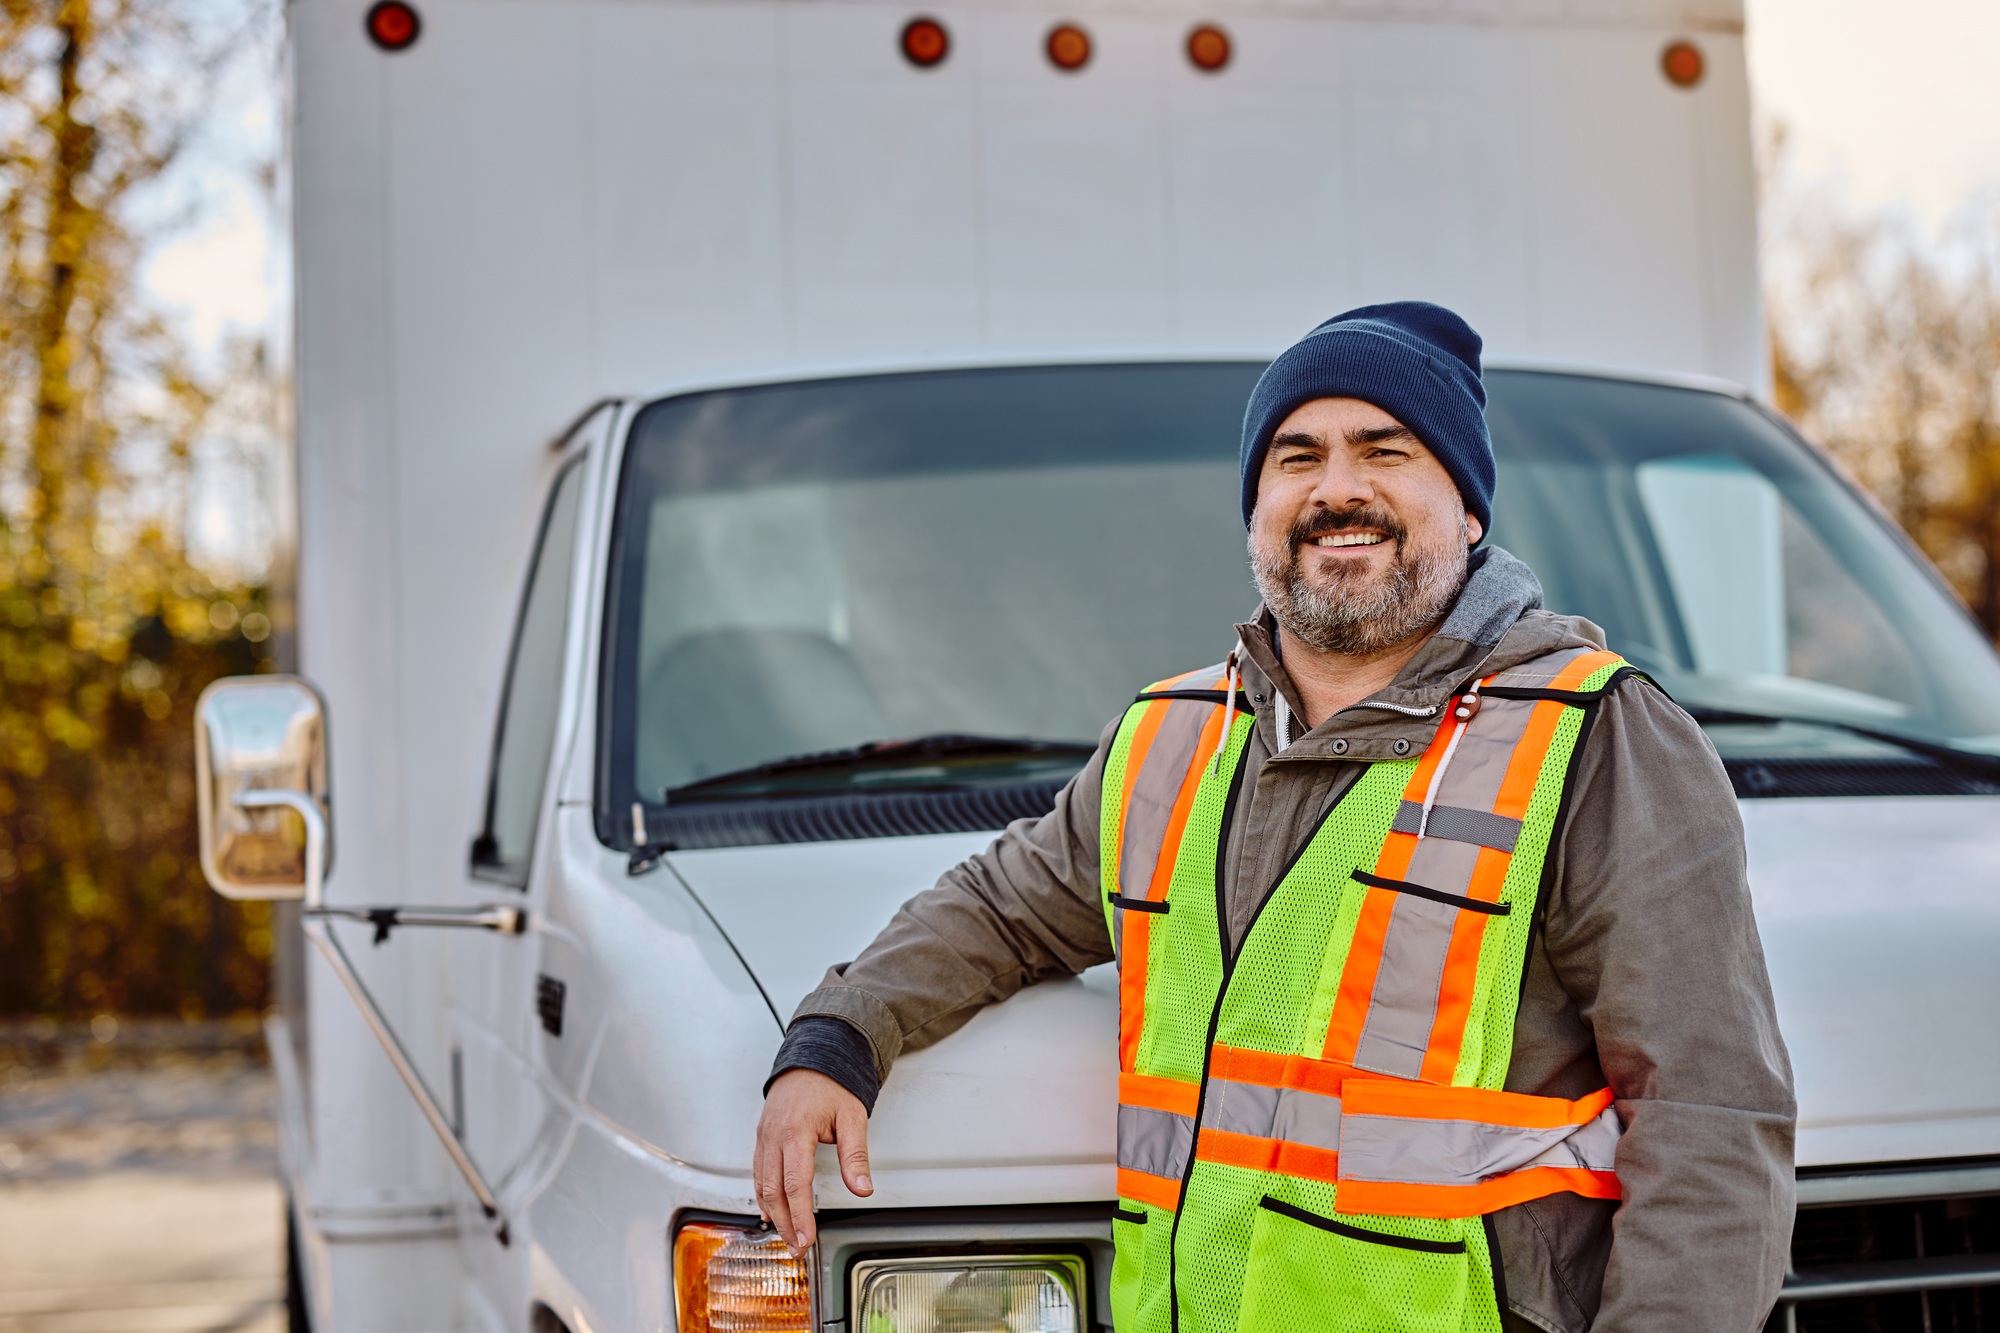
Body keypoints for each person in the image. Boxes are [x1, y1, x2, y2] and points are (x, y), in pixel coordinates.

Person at [753, 302, 1796, 1333]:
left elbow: (1707, 1120)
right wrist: (841, 1032)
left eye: (1383, 450)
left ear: (1469, 510)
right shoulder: (1168, 737)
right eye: (1295, 458)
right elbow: (999, 908)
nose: (1336, 487)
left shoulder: (1596, 736)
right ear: (1256, 511)